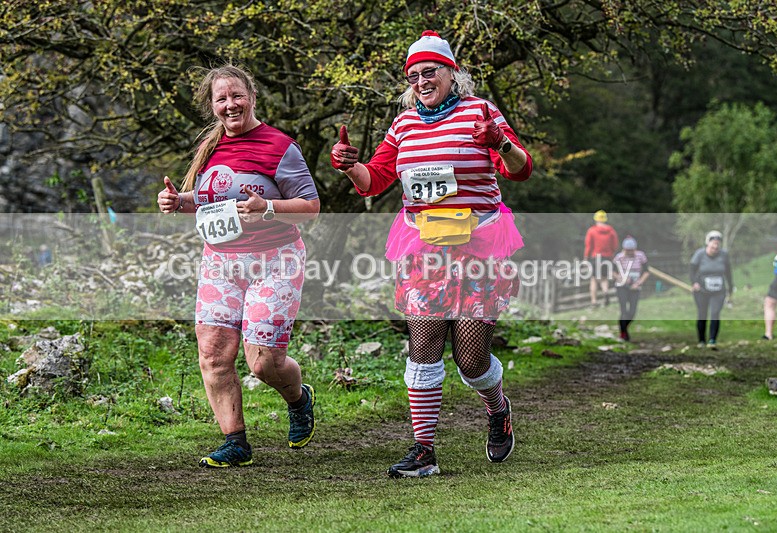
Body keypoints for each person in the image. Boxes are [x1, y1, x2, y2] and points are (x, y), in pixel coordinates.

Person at [330, 30, 532, 477]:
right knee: (423, 347)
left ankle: (497, 410)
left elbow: (521, 170)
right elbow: (375, 180)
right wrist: (349, 166)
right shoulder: (402, 125)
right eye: (415, 75)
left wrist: (498, 142)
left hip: (479, 244)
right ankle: (424, 451)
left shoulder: (481, 112)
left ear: (452, 73)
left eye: (431, 71)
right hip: (424, 248)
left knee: (472, 359)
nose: (422, 80)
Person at [157, 64, 320, 467]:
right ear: (212, 106)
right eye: (221, 99)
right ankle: (236, 442)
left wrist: (268, 208)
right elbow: (216, 196)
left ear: (252, 96)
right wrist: (181, 202)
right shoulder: (210, 148)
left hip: (274, 260)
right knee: (213, 354)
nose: (230, 105)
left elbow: (311, 208)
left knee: (263, 362)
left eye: (236, 96)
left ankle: (299, 398)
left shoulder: (280, 146)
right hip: (220, 263)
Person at [690, 230, 733, 349]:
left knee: (715, 313)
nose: (715, 247)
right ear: (708, 244)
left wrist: (730, 287)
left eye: (717, 245)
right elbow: (692, 270)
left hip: (718, 291)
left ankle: (712, 340)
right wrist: (694, 283)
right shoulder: (699, 254)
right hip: (701, 291)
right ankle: (701, 340)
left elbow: (728, 272)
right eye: (713, 244)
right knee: (702, 314)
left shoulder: (724, 255)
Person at [612, 236, 649, 342]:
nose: (629, 252)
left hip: (635, 287)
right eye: (627, 250)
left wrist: (639, 283)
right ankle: (623, 334)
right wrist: (622, 278)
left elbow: (646, 271)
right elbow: (613, 272)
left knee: (632, 312)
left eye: (631, 250)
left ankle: (624, 329)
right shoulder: (619, 257)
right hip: (622, 287)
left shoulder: (640, 256)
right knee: (624, 311)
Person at [584, 210, 619, 307]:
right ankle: (605, 292)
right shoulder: (611, 231)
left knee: (594, 279)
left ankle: (594, 302)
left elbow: (588, 245)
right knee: (604, 278)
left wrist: (586, 257)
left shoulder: (592, 231)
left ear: (596, 219)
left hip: (595, 257)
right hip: (607, 257)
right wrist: (611, 253)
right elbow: (615, 244)